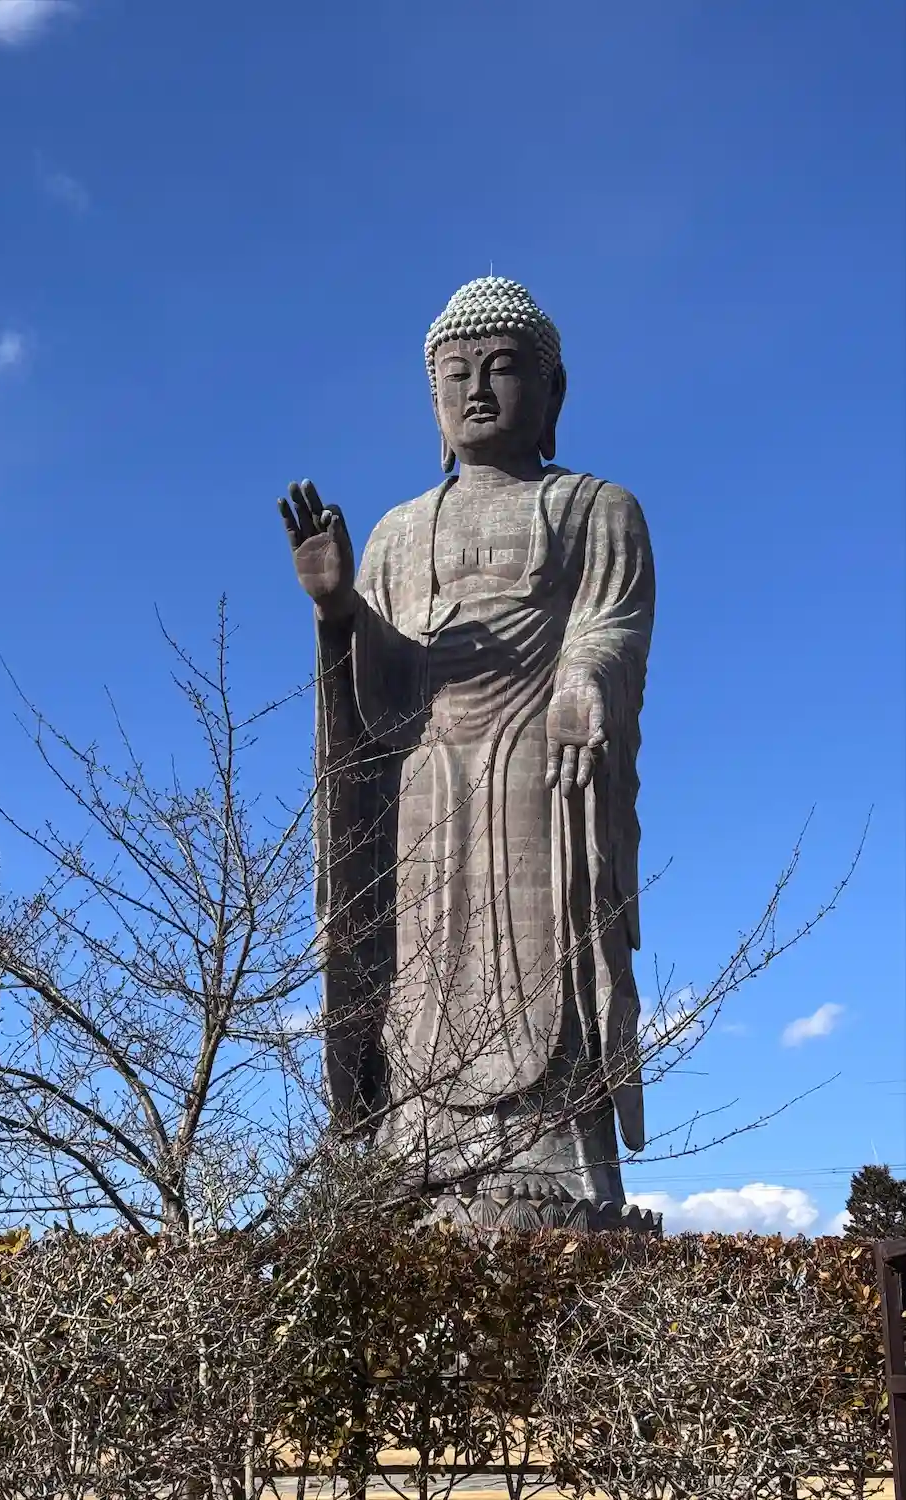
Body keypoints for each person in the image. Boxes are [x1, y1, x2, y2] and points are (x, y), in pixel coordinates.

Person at [279, 276, 655, 1210]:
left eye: (501, 368)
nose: (477, 391)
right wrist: (337, 610)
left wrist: (581, 681)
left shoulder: (595, 508)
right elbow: (379, 693)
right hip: (423, 776)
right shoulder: (397, 532)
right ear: (433, 400)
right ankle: (414, 1157)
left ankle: (556, 1158)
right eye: (455, 374)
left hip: (537, 761)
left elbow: (609, 624)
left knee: (541, 956)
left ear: (551, 391)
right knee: (416, 967)